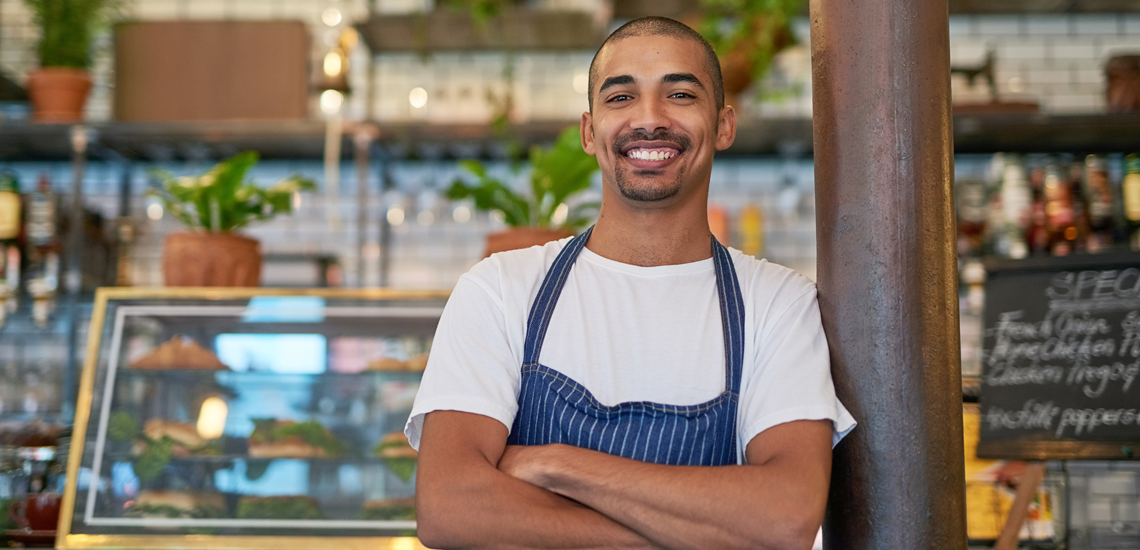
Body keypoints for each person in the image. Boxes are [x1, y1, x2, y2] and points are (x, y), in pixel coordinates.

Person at [405, 16, 855, 550]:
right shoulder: (501, 289)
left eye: (681, 94)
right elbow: (448, 508)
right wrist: (697, 531)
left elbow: (784, 518)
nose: (649, 119)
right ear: (589, 132)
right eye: (620, 98)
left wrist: (557, 464)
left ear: (725, 125)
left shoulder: (777, 301)